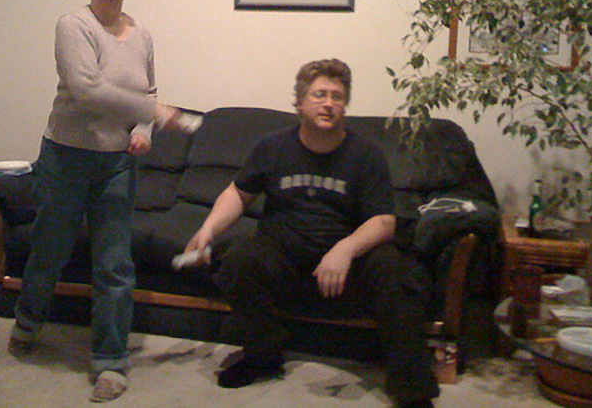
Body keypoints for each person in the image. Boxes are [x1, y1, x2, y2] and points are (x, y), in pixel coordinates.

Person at [183, 59, 439, 408]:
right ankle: (263, 354)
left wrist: (345, 249)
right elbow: (238, 194)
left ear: (344, 105)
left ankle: (412, 388)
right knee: (236, 260)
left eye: (337, 96)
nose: (328, 103)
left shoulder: (365, 154)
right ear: (300, 103)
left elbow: (384, 221)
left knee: (397, 271)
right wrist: (208, 229)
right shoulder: (273, 146)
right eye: (319, 94)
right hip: (283, 254)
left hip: (347, 266)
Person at [8, 0, 179, 403]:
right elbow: (86, 90)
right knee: (50, 249)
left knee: (114, 263)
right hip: (66, 156)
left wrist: (143, 126)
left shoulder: (142, 35)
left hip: (117, 162)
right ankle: (27, 322)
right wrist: (153, 112)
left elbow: (147, 91)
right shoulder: (74, 25)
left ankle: (110, 361)